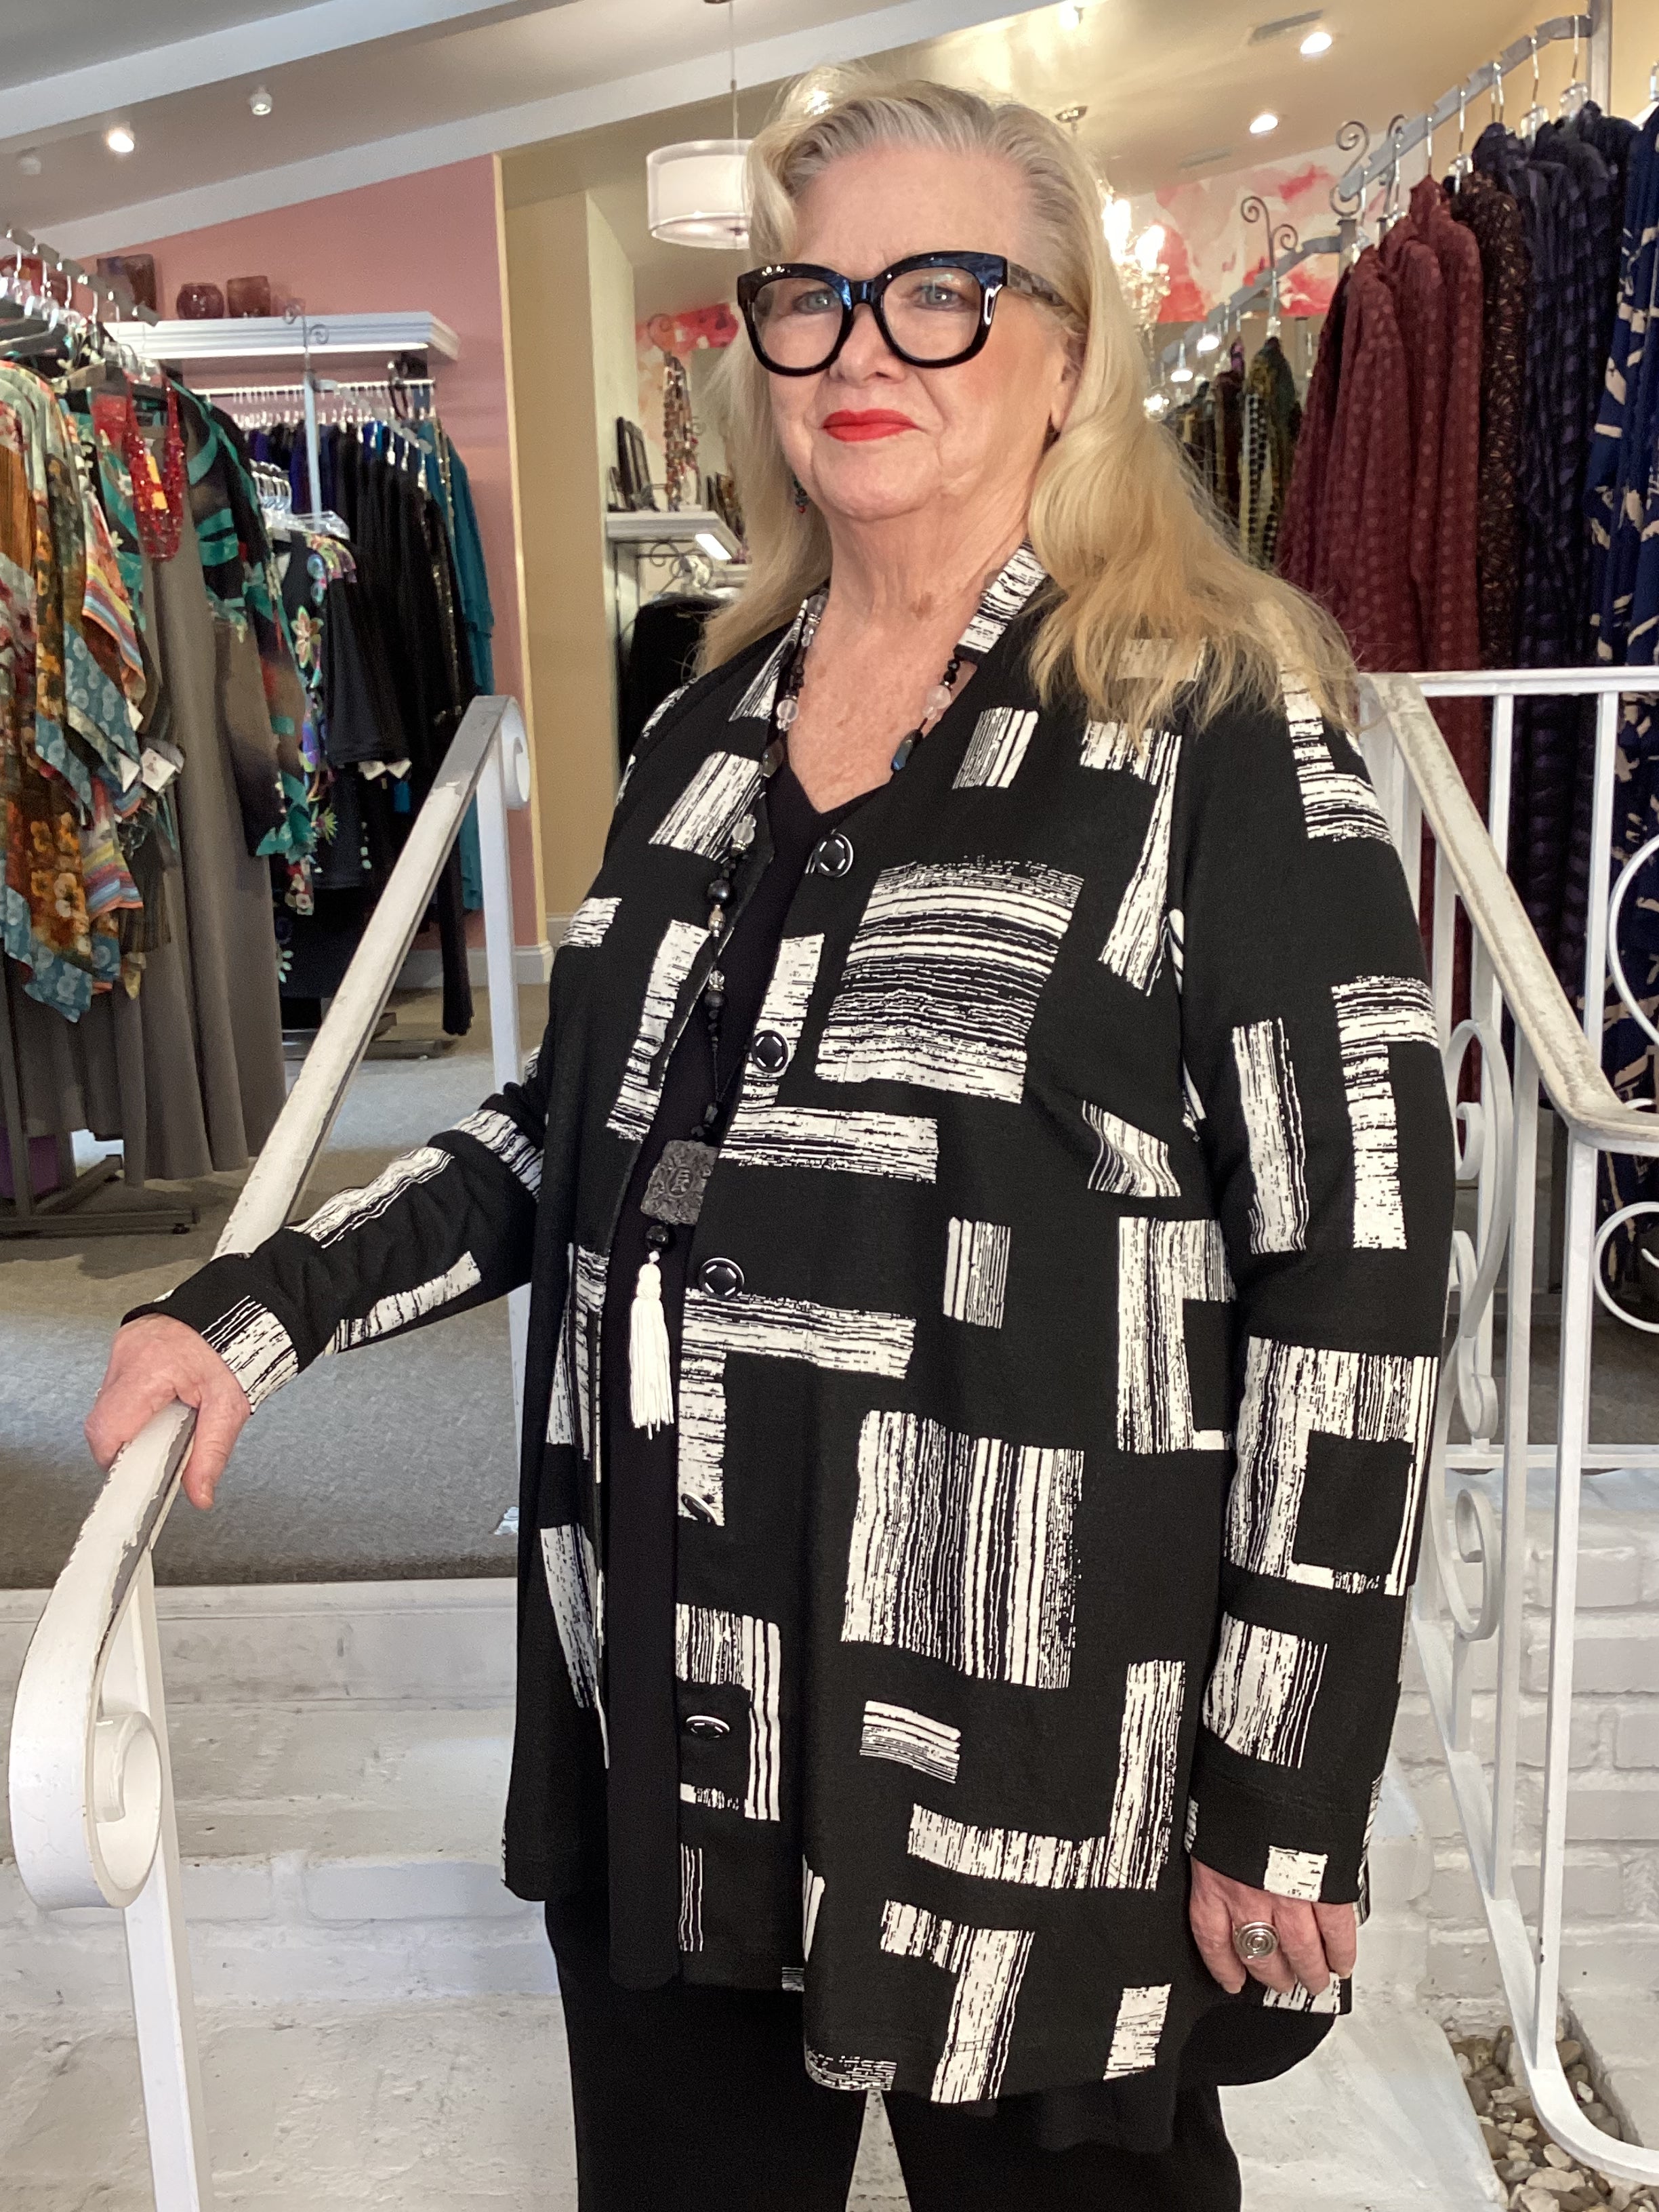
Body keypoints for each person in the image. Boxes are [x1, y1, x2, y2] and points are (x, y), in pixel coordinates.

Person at [87, 76, 1454, 2212]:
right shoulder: (705, 728)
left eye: (942, 290)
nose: (861, 349)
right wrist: (262, 1307)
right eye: (811, 299)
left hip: (1027, 1740)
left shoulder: (1213, 725)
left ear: (1067, 352)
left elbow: (1357, 1281)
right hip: (676, 1697)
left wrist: (1284, 1780)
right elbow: (562, 1133)